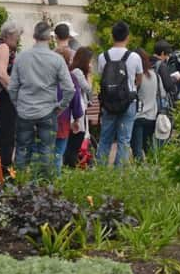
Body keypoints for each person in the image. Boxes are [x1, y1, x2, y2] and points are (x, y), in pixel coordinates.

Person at [8, 22, 75, 178]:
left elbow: (12, 87)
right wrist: (60, 107)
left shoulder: (21, 57)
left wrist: (17, 104)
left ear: (34, 36)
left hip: (25, 110)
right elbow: (69, 89)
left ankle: (21, 183)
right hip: (48, 110)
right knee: (47, 150)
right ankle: (45, 187)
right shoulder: (57, 59)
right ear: (50, 37)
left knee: (22, 150)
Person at [96, 21, 143, 166]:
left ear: (112, 36)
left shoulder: (103, 57)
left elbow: (101, 76)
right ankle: (119, 174)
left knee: (105, 138)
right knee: (124, 140)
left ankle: (101, 171)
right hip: (128, 102)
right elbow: (139, 78)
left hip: (108, 102)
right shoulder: (134, 57)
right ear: (127, 37)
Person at [0, 20, 22, 174]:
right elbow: (1, 73)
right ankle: (5, 173)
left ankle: (4, 171)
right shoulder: (3, 47)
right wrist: (15, 93)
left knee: (6, 136)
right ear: (10, 35)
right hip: (5, 98)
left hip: (3, 97)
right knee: (7, 136)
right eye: (17, 37)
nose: (18, 40)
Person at [54, 47, 83, 176]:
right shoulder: (71, 78)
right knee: (58, 153)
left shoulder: (46, 76)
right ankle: (55, 182)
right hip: (63, 121)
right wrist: (77, 119)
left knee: (43, 152)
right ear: (68, 61)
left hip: (42, 118)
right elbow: (76, 99)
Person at [131, 49, 164, 160]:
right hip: (152, 116)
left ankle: (139, 172)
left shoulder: (136, 77)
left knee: (137, 150)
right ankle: (153, 172)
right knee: (149, 148)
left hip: (138, 116)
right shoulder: (155, 75)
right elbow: (162, 93)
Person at [64, 47, 94, 168]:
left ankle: (70, 164)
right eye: (90, 61)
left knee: (75, 139)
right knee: (76, 138)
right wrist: (90, 76)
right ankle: (70, 165)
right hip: (77, 111)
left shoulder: (74, 70)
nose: (91, 64)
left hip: (78, 109)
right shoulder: (77, 72)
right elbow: (88, 88)